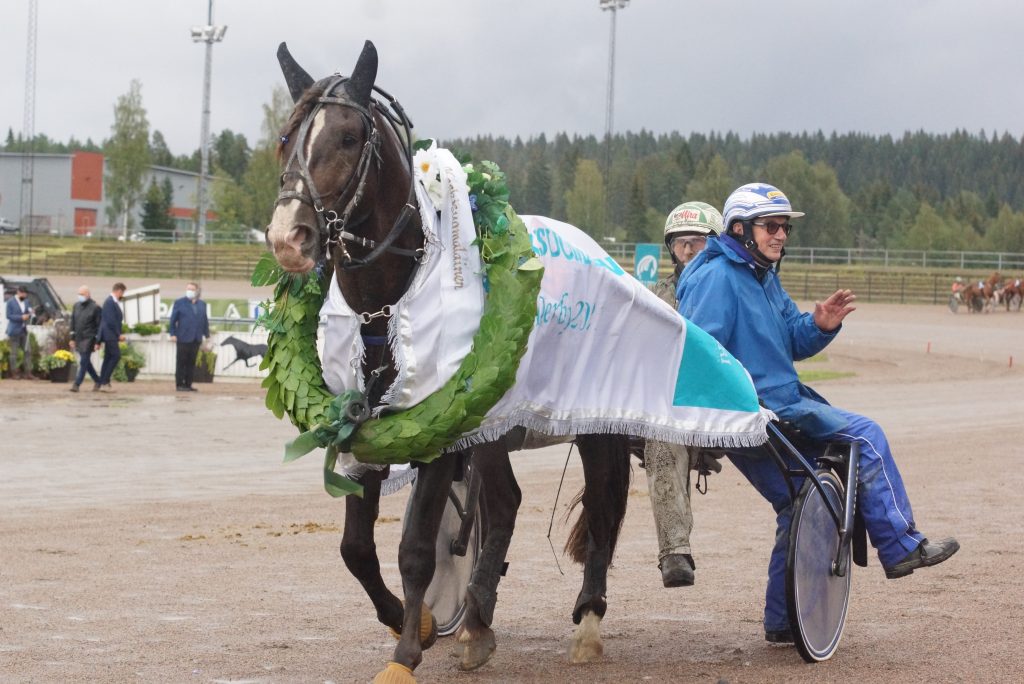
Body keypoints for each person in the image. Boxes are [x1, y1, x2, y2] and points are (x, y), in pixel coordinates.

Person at [676, 182, 959, 644]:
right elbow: (701, 355)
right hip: (756, 415)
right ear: (741, 228)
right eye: (772, 226)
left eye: (784, 227)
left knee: (799, 503)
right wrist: (745, 407)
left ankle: (785, 620)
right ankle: (902, 546)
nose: (781, 235)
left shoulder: (761, 274)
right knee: (865, 436)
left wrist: (819, 325)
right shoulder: (717, 278)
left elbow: (791, 337)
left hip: (777, 407)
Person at [645, 201, 723, 587]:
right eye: (681, 244)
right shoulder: (655, 296)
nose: (689, 250)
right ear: (671, 250)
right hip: (670, 404)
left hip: (721, 403)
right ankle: (675, 553)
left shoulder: (733, 287)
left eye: (698, 242)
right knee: (660, 439)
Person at [168, 282, 209, 392]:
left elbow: (204, 320)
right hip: (182, 337)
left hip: (196, 338)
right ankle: (179, 384)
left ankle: (188, 384)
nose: (189, 291)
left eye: (191, 289)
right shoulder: (179, 302)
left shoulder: (202, 304)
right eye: (188, 289)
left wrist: (207, 335)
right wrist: (172, 333)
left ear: (197, 291)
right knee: (181, 362)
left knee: (191, 362)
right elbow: (173, 319)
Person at [69, 285, 102, 392]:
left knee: (83, 362)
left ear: (88, 294)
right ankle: (98, 380)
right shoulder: (76, 306)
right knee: (86, 363)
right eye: (79, 294)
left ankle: (77, 384)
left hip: (89, 338)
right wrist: (72, 338)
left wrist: (98, 341)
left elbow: (99, 326)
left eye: (82, 294)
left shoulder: (95, 307)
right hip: (79, 338)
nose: (80, 296)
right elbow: (72, 323)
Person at [95, 283, 127, 392]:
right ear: (119, 291)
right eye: (122, 293)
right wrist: (119, 334)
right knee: (115, 356)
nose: (122, 295)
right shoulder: (109, 302)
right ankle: (104, 381)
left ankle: (102, 382)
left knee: (108, 358)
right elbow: (111, 321)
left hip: (110, 334)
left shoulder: (112, 302)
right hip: (110, 334)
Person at [5, 286, 37, 379]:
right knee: (14, 353)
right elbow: (9, 316)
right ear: (18, 292)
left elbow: (28, 310)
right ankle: (14, 373)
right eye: (23, 293)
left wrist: (31, 312)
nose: (24, 295)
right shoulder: (10, 302)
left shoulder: (26, 301)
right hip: (14, 330)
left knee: (28, 351)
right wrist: (21, 317)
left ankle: (28, 373)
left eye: (25, 294)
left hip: (23, 330)